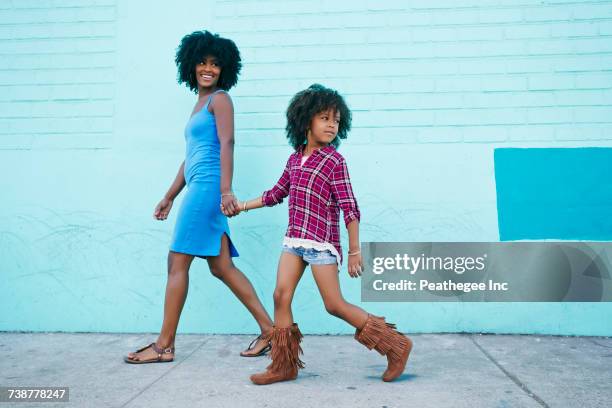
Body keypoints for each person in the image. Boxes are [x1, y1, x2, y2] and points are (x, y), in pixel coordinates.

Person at [224, 84, 413, 384]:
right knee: (280, 295)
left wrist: (354, 251)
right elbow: (276, 194)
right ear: (305, 121)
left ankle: (396, 346)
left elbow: (350, 208)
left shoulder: (334, 162)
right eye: (324, 118)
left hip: (321, 244)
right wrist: (242, 206)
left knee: (334, 305)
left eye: (336, 120)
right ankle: (284, 365)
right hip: (294, 240)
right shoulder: (294, 159)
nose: (331, 125)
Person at [125, 30, 273, 364]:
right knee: (222, 267)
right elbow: (191, 155)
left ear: (225, 69)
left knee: (177, 262)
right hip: (198, 187)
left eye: (215, 64)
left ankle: (164, 346)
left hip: (208, 190)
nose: (208, 68)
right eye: (202, 62)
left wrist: (226, 191)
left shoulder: (220, 100)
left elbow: (227, 143)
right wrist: (169, 195)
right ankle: (271, 332)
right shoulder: (199, 104)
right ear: (191, 64)